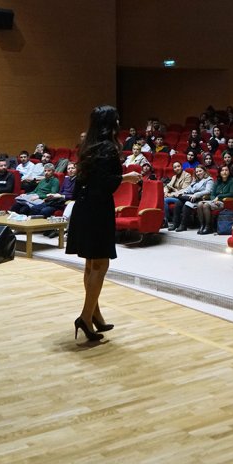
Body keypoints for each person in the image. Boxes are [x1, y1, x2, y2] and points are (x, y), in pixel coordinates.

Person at [68, 105, 141, 343]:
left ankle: (95, 314)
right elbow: (106, 183)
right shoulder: (108, 148)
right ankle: (86, 317)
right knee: (100, 263)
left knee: (91, 263)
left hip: (83, 205)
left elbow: (84, 181)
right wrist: (126, 178)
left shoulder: (87, 146)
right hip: (97, 209)